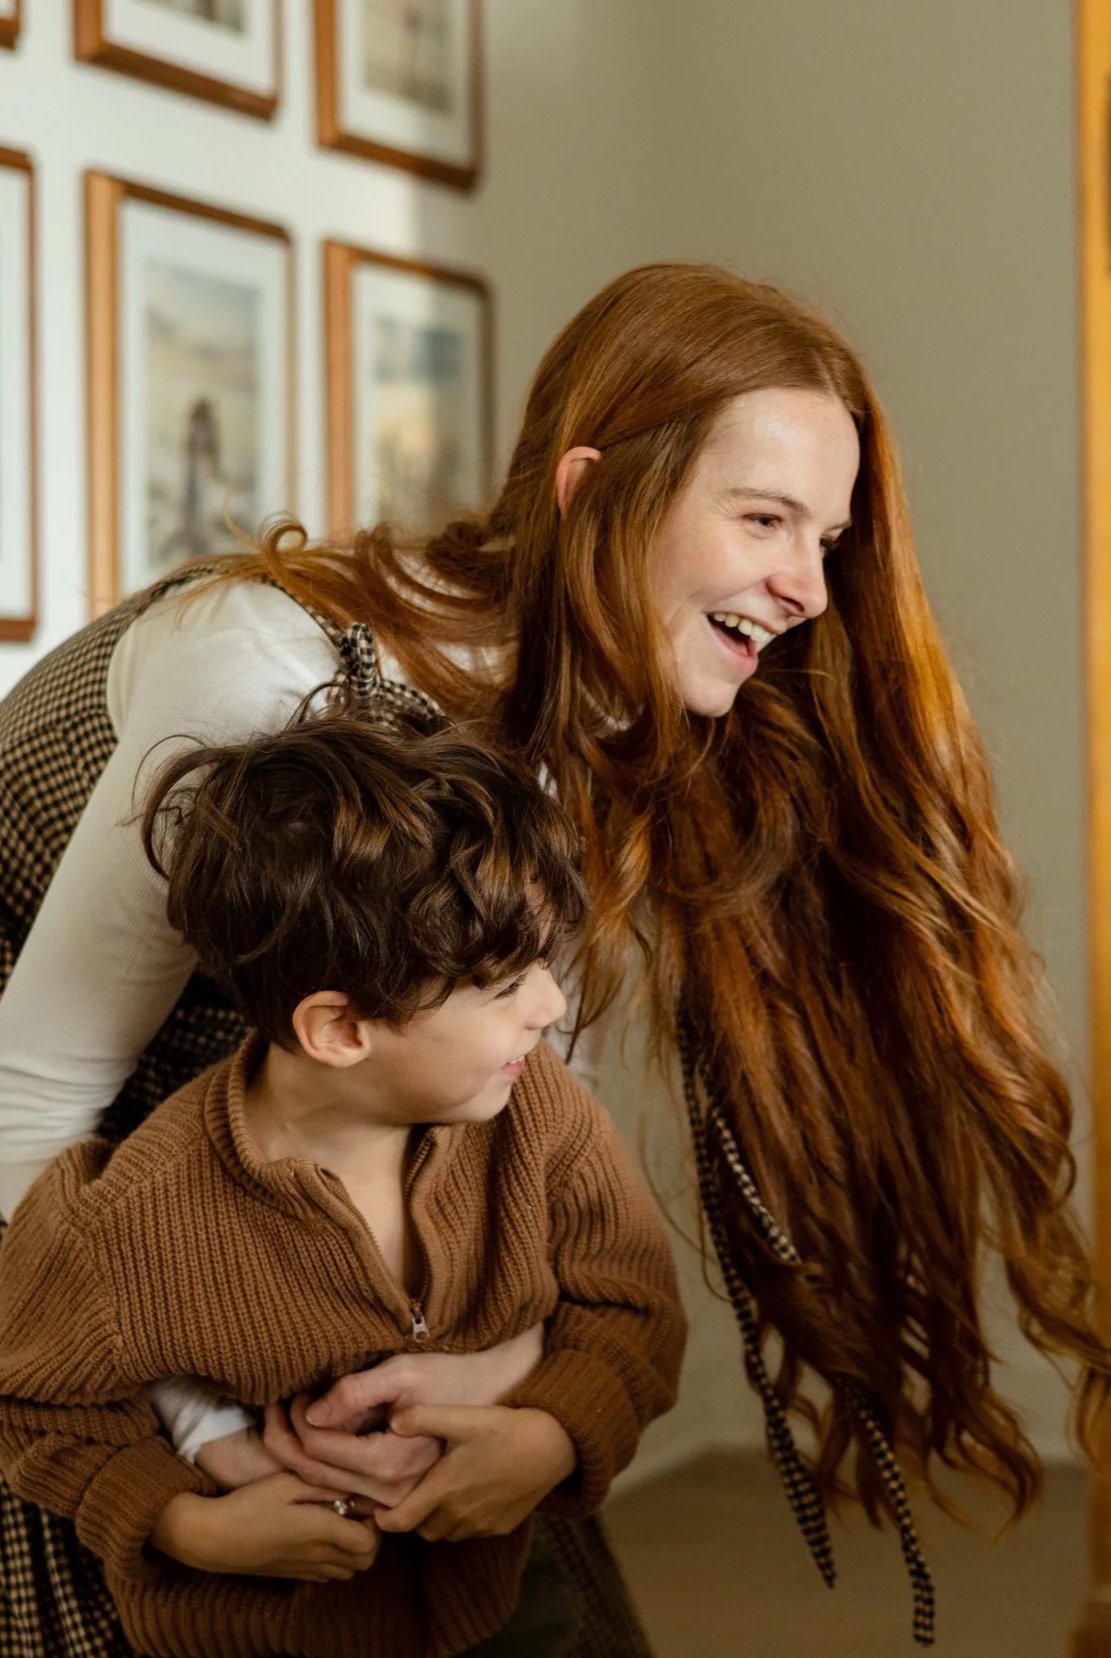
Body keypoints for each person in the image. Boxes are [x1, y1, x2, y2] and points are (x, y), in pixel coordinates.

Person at [0, 260, 1106, 1656]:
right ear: (593, 490)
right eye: (762, 518)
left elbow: (526, 1124)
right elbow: (30, 1100)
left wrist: (508, 1382)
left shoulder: (582, 721)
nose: (808, 588)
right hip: (66, 1258)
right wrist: (202, 1440)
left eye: (825, 537)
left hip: (328, 1205)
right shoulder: (258, 675)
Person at [0, 713, 686, 1658]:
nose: (551, 1005)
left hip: (499, 1593)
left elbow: (634, 1305)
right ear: (339, 1031)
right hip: (264, 1631)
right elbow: (35, 1402)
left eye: (543, 964)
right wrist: (182, 1524)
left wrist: (552, 1437)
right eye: (505, 987)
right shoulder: (131, 1222)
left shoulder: (539, 1115)